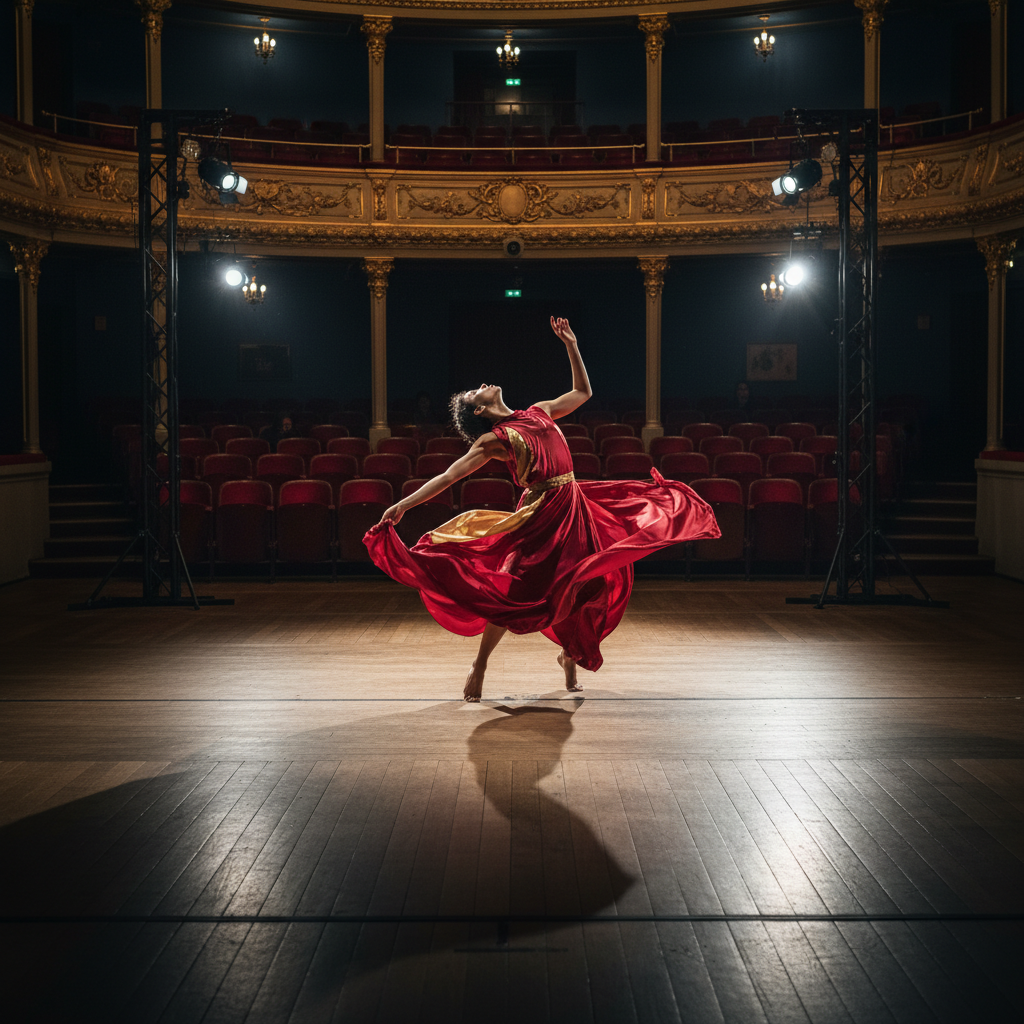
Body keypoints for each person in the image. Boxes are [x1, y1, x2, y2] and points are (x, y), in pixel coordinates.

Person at [364, 316, 721, 701]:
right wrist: (402, 505)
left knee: (588, 586)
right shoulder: (492, 439)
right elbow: (450, 475)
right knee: (514, 593)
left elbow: (582, 392)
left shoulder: (538, 411)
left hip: (575, 507)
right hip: (540, 517)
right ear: (480, 412)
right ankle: (480, 663)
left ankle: (570, 655)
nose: (482, 386)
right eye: (475, 393)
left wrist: (571, 344)